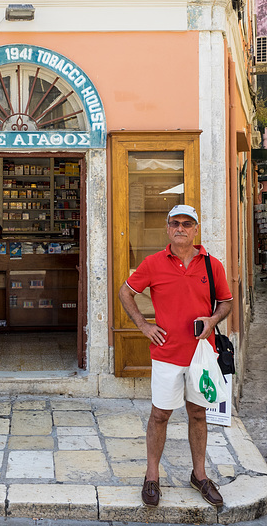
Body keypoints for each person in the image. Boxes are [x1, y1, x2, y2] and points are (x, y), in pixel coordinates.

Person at [118, 204, 233, 508]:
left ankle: (199, 475)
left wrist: (212, 321)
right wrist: (143, 325)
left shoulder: (212, 265)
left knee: (198, 414)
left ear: (196, 229)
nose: (181, 228)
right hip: (166, 354)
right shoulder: (153, 263)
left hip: (201, 355)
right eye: (175, 223)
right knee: (160, 415)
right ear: (167, 228)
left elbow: (226, 302)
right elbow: (125, 292)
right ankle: (152, 476)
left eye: (187, 223)